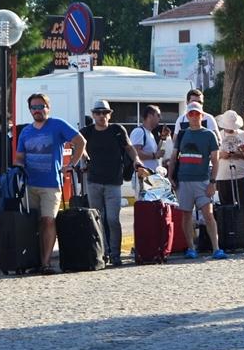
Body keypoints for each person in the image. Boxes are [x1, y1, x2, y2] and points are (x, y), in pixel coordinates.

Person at [14, 92, 86, 273]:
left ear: (48, 107)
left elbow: (80, 141)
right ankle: (32, 261)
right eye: (34, 107)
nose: (37, 110)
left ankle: (46, 263)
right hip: (29, 185)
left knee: (48, 221)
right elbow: (20, 157)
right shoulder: (26, 131)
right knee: (32, 223)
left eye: (41, 106)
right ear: (30, 110)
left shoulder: (57, 125)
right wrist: (17, 172)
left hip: (51, 185)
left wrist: (71, 165)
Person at [75, 100, 147, 267]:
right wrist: (83, 159)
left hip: (114, 181)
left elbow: (129, 148)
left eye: (105, 112)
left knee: (113, 219)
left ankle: (115, 253)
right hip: (93, 181)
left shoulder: (117, 130)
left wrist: (136, 160)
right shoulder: (87, 132)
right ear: (93, 115)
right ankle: (103, 253)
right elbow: (77, 144)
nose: (101, 116)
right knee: (97, 219)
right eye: (98, 113)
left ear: (110, 114)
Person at [172, 102, 226, 259]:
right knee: (186, 215)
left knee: (208, 214)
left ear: (202, 116)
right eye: (191, 114)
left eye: (197, 114)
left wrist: (213, 182)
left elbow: (215, 160)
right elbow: (174, 158)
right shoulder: (182, 134)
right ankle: (191, 248)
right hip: (183, 180)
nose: (194, 117)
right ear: (187, 116)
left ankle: (216, 248)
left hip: (202, 180)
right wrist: (171, 177)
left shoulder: (209, 135)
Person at [215, 109, 244, 246]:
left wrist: (239, 155)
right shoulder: (218, 135)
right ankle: (228, 237)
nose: (230, 130)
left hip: (241, 174)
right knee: (226, 208)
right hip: (223, 176)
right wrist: (221, 155)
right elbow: (212, 155)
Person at [130, 105, 164, 173]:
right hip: (142, 178)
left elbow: (155, 153)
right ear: (150, 116)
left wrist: (163, 138)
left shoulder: (150, 134)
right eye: (158, 115)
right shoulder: (139, 131)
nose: (160, 118)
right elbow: (135, 154)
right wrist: (155, 155)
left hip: (151, 178)